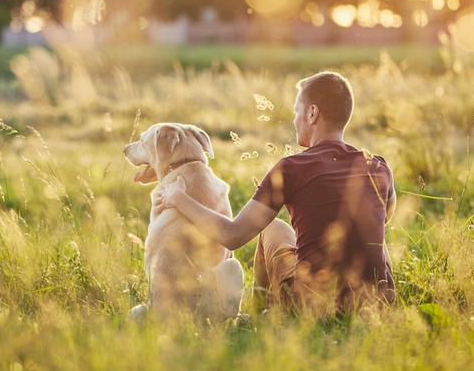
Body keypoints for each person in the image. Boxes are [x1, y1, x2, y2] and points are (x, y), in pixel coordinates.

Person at [153, 71, 396, 316]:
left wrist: (179, 198)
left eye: (296, 111)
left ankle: (261, 315)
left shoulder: (291, 168)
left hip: (313, 306)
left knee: (270, 229)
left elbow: (232, 236)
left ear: (312, 113)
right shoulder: (379, 166)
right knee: (377, 242)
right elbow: (383, 219)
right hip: (375, 305)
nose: (293, 120)